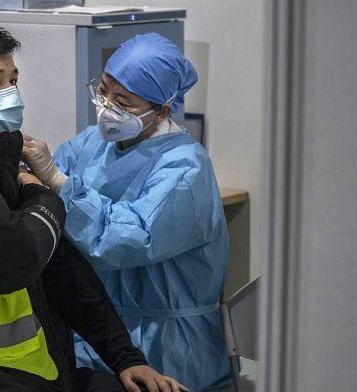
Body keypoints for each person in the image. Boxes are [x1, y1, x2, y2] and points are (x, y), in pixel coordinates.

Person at [0, 23, 186, 392]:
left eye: (13, 80)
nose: (10, 93)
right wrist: (42, 194)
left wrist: (125, 357)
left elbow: (62, 267)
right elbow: (21, 256)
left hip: (21, 365)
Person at [22, 32, 231, 391]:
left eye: (123, 101)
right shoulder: (93, 142)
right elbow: (47, 197)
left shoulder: (184, 169)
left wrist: (58, 181)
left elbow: (123, 240)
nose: (106, 106)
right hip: (99, 334)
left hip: (166, 342)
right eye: (103, 91)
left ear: (162, 109)